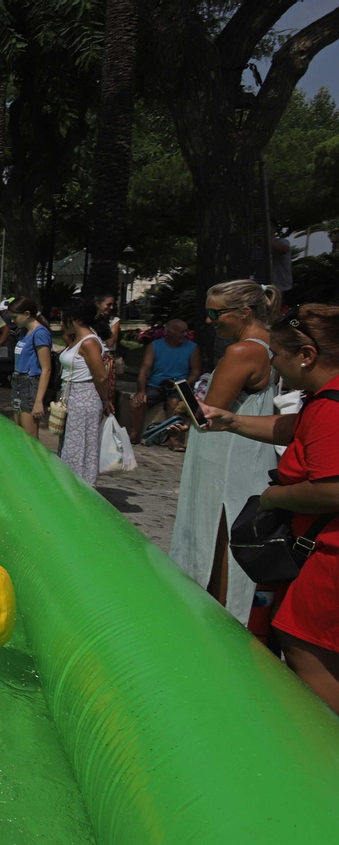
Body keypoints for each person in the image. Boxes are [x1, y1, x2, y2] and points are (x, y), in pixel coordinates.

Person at [198, 303, 339, 713]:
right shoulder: (323, 399)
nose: (273, 363)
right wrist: (231, 421)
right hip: (318, 547)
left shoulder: (331, 407)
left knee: (307, 653)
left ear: (307, 356)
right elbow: (297, 429)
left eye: (278, 354)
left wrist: (274, 497)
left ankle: (319, 754)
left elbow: (333, 489)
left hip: (327, 555)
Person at [170, 281, 280, 621]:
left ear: (244, 312)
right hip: (250, 450)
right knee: (236, 532)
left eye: (215, 313)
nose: (208, 320)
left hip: (227, 454)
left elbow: (210, 413)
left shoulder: (242, 351)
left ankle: (213, 619)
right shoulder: (273, 343)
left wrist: (181, 406)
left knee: (216, 534)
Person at [58, 301, 114, 487]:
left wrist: (105, 399)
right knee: (71, 444)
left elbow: (100, 375)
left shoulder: (89, 342)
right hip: (72, 395)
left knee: (80, 445)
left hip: (84, 395)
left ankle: (81, 485)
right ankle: (69, 483)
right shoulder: (77, 339)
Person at [128, 320, 201, 447]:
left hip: (180, 385)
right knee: (137, 402)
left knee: (174, 403)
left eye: (186, 331)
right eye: (182, 331)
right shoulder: (154, 346)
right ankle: (134, 435)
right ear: (169, 333)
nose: (186, 334)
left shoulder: (192, 348)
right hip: (156, 385)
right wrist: (141, 391)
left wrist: (182, 384)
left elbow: (195, 372)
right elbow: (144, 371)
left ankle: (174, 439)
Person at [3, 299, 54, 439]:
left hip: (30, 382)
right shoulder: (24, 331)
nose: (12, 321)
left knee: (29, 436)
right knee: (19, 433)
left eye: (14, 317)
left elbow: (46, 369)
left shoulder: (40, 333)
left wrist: (38, 402)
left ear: (27, 314)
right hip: (18, 381)